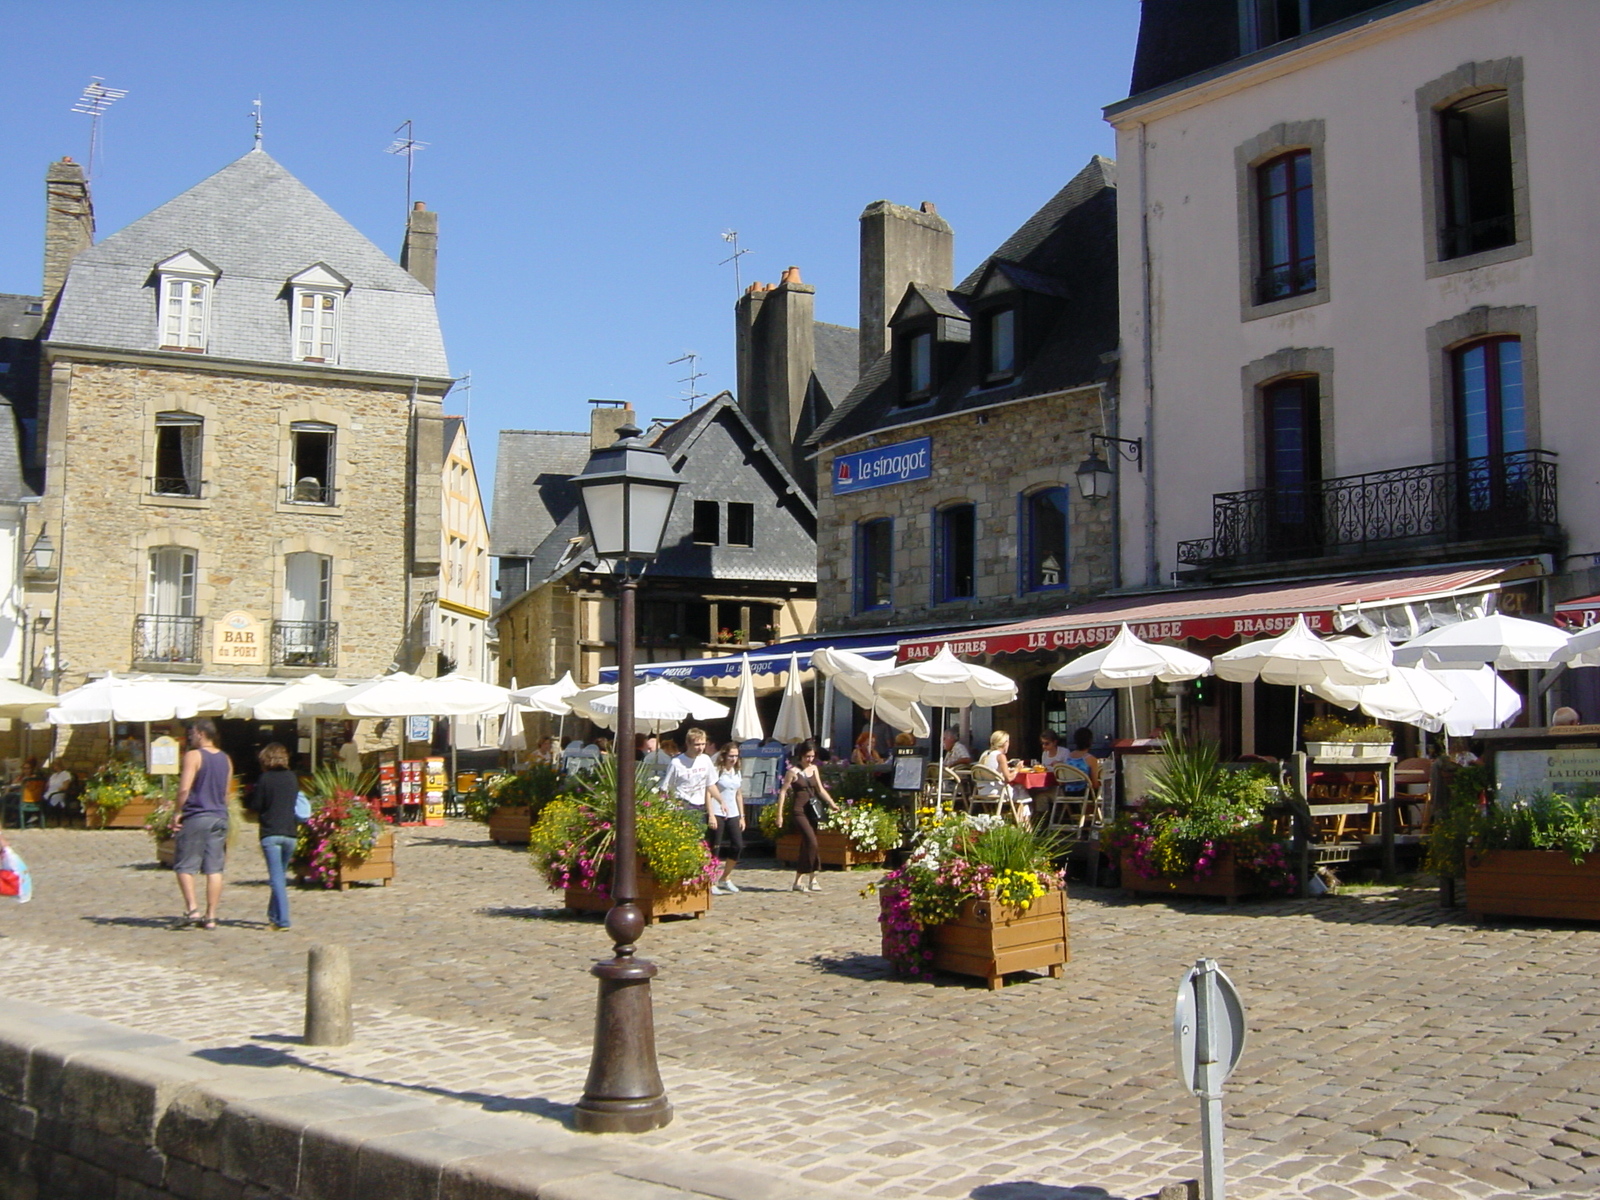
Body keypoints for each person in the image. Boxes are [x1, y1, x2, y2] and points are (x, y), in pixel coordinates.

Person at [170, 719, 233, 931]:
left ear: (200, 733)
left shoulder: (194, 756)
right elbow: (226, 793)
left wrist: (177, 812)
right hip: (219, 816)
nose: (190, 736)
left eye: (192, 732)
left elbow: (184, 789)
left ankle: (192, 909)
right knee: (214, 868)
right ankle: (211, 916)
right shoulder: (226, 759)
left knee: (184, 865)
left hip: (197, 815)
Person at [247, 743, 300, 931]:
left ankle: (283, 920)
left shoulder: (265, 779)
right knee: (279, 876)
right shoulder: (292, 778)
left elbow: (256, 805)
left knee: (277, 879)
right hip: (290, 833)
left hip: (271, 833)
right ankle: (273, 915)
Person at [774, 739, 838, 893]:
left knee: (807, 845)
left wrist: (831, 802)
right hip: (799, 811)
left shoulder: (814, 769)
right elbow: (783, 792)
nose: (809, 759)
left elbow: (820, 789)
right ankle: (812, 875)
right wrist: (779, 814)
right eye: (807, 756)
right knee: (812, 842)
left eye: (812, 756)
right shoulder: (793, 772)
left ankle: (802, 880)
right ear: (801, 756)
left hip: (812, 810)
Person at [708, 743, 746, 895]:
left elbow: (738, 794)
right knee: (715, 847)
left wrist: (742, 816)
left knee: (737, 845)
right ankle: (710, 880)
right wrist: (711, 814)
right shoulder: (717, 771)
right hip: (717, 811)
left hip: (733, 813)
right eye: (731, 756)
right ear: (724, 755)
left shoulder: (736, 771)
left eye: (736, 756)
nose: (733, 759)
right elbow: (709, 792)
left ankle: (725, 876)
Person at [660, 727, 716, 829]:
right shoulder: (676, 763)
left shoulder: (706, 759)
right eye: (697, 745)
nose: (701, 748)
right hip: (683, 804)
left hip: (700, 804)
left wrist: (721, 802)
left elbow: (711, 784)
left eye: (703, 744)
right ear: (688, 744)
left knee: (699, 837)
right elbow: (665, 788)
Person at [975, 730, 1030, 822]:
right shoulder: (1000, 756)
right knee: (1022, 791)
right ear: (1005, 743)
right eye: (1008, 741)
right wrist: (1017, 769)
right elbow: (1008, 778)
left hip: (982, 791)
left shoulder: (984, 754)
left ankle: (1021, 823)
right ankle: (1025, 826)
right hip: (996, 792)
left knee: (1020, 794)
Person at [1061, 728, 1101, 797]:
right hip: (1084, 793)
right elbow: (1094, 784)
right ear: (1090, 741)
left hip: (1068, 792)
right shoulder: (1091, 759)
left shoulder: (1068, 757)